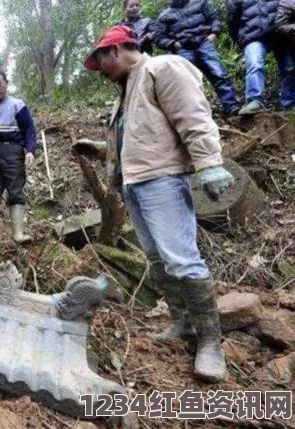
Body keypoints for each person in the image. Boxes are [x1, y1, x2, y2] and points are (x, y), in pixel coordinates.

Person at [85, 26, 234, 382]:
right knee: (157, 258)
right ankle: (181, 322)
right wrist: (99, 148)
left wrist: (210, 163)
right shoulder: (127, 90)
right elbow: (139, 138)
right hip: (136, 183)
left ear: (117, 50)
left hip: (162, 180)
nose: (101, 70)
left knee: (181, 258)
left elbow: (193, 117)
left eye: (101, 60)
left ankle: (211, 343)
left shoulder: (162, 68)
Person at [0, 70, 36, 245]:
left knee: (15, 191)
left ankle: (18, 234)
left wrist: (30, 150)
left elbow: (29, 130)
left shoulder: (18, 105)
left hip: (14, 153)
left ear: (6, 83)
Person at [155, 0, 241, 116]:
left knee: (218, 73)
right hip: (183, 49)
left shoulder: (200, 3)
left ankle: (231, 106)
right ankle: (199, 114)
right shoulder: (165, 16)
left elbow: (214, 17)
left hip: (203, 42)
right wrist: (173, 44)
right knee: (189, 83)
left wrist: (214, 33)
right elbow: (159, 38)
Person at [227, 0, 295, 114]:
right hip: (253, 36)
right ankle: (255, 101)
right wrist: (241, 40)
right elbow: (232, 21)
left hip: (280, 34)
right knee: (254, 63)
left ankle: (290, 103)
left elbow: (289, 8)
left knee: (290, 68)